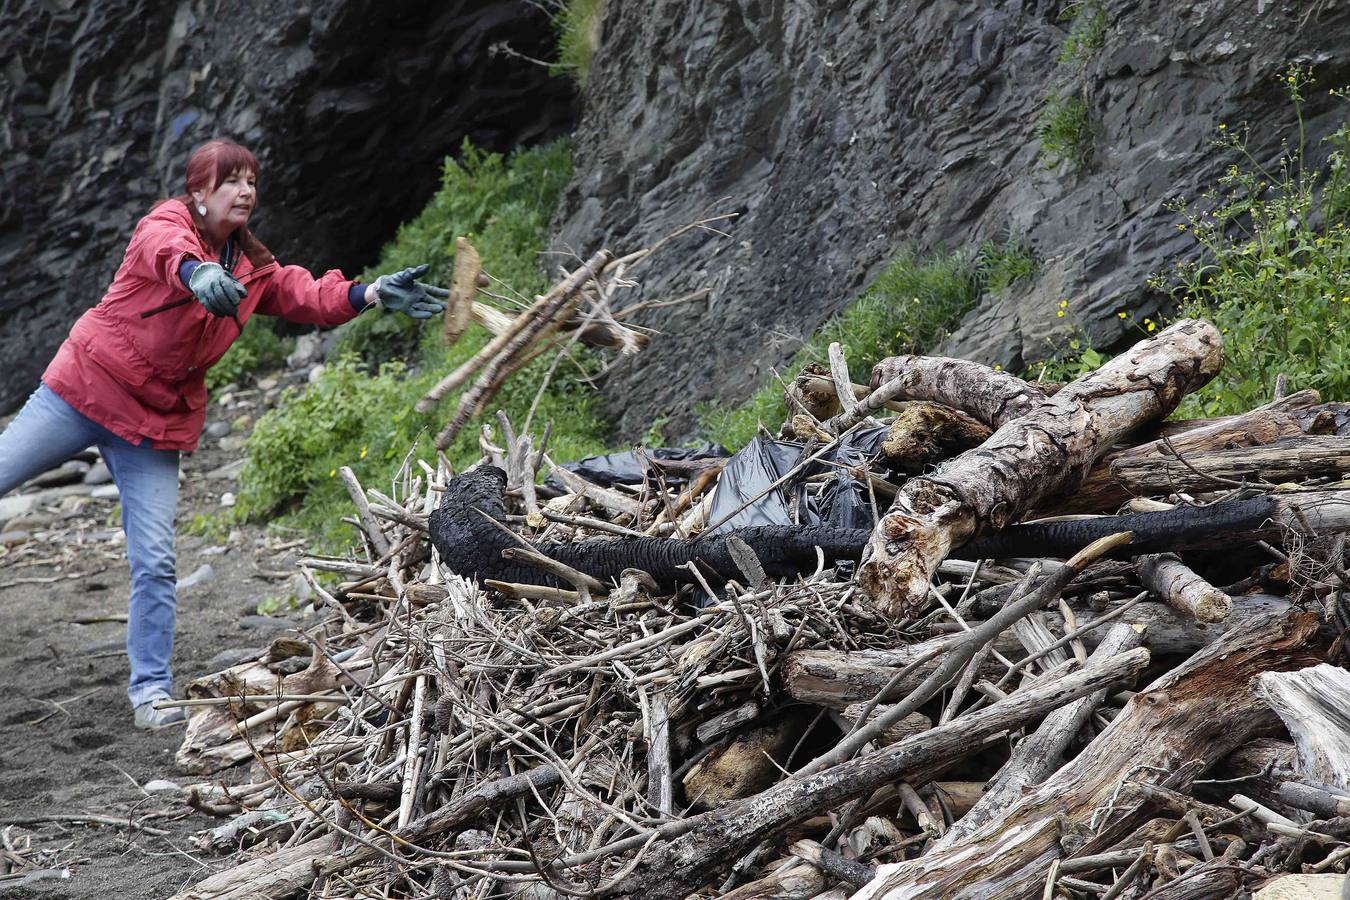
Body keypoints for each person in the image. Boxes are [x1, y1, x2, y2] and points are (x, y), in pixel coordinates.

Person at [0, 139, 448, 729]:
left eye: (252, 183)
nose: (245, 192)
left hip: (156, 423)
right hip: (83, 388)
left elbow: (304, 294)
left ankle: (152, 693)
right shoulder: (165, 224)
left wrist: (372, 292)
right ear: (198, 193)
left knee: (157, 562)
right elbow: (168, 249)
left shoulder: (253, 268)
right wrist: (198, 271)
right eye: (230, 181)